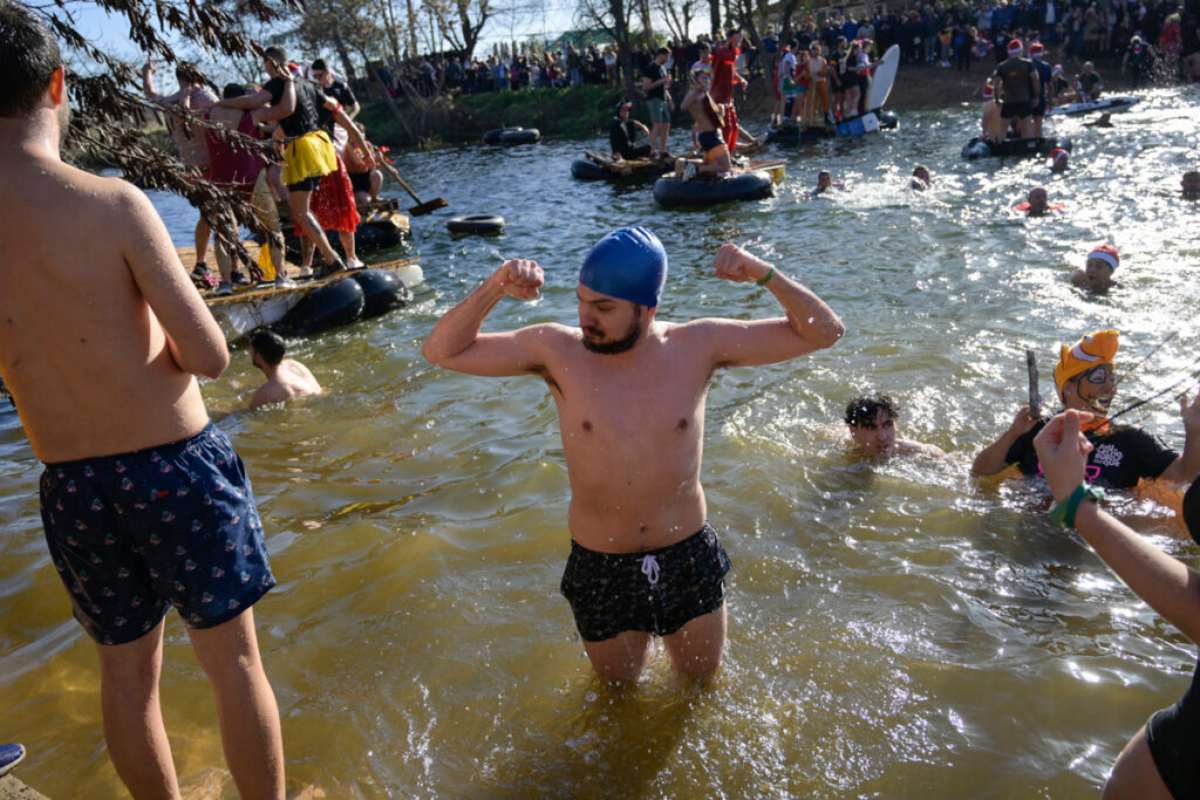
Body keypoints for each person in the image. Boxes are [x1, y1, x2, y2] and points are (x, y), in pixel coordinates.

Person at [0, 7, 285, 798]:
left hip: (72, 486)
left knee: (126, 676)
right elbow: (209, 355)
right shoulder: (114, 205)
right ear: (57, 86)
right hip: (173, 469)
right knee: (233, 663)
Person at [421, 227, 845, 681]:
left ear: (647, 309)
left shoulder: (697, 347)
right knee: (617, 698)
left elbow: (824, 332)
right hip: (601, 562)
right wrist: (496, 287)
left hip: (687, 553)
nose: (585, 317)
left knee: (699, 690)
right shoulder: (555, 351)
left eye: (603, 307)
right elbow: (441, 351)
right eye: (583, 301)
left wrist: (765, 275)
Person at [1033, 412, 1200, 799]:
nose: (1105, 383)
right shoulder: (1034, 434)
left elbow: (1177, 474)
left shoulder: (1132, 440)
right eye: (1095, 374)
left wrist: (1078, 505)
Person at [971, 330, 1200, 490]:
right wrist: (1013, 433)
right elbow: (980, 472)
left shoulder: (1131, 440)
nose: (1111, 387)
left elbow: (1183, 477)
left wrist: (1194, 432)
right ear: (1068, 388)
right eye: (1099, 377)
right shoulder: (1039, 432)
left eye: (1112, 378)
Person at [213, 46, 368, 277]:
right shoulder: (310, 85)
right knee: (306, 209)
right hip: (322, 146)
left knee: (301, 212)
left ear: (270, 64)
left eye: (266, 66)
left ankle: (331, 259)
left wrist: (222, 104)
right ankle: (332, 258)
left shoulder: (278, 83)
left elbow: (256, 101)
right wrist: (365, 148)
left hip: (302, 149)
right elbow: (341, 115)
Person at [205, 83, 288, 294]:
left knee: (223, 234)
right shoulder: (250, 114)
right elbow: (284, 110)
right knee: (273, 228)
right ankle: (281, 277)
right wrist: (285, 83)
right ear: (242, 99)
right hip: (251, 177)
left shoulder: (208, 116)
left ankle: (225, 284)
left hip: (221, 181)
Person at [142, 60, 218, 285]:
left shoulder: (171, 101)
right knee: (216, 215)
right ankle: (210, 265)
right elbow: (225, 110)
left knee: (208, 214)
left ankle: (202, 262)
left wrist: (147, 74)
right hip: (210, 165)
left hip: (190, 166)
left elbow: (151, 94)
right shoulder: (204, 97)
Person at [673, 71, 733, 180]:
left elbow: (707, 116)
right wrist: (695, 90)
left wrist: (720, 109)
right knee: (726, 167)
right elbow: (683, 106)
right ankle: (695, 169)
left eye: (707, 78)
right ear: (695, 80)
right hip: (711, 136)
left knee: (709, 164)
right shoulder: (695, 92)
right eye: (703, 78)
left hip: (709, 135)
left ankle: (685, 163)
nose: (707, 80)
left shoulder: (704, 94)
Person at [844, 394, 945, 459]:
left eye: (887, 425)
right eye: (871, 427)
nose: (882, 437)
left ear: (895, 424)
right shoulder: (842, 447)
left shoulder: (922, 453)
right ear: (853, 430)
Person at [247, 329, 322, 409]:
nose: (249, 352)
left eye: (250, 350)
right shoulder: (294, 365)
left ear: (257, 356)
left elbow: (247, 414)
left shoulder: (265, 393)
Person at [992, 39, 1039, 139]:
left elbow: (996, 84)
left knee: (1003, 128)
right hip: (1024, 99)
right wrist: (1036, 97)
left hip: (1008, 101)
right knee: (1027, 127)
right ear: (1021, 50)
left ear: (1009, 52)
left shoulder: (1002, 66)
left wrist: (997, 99)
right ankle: (1028, 149)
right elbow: (1035, 80)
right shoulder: (1028, 64)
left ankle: (1000, 147)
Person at [711, 29, 748, 153]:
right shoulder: (722, 51)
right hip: (719, 96)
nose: (741, 40)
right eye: (739, 37)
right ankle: (723, 156)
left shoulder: (732, 52)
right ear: (731, 37)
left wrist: (741, 79)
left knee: (735, 128)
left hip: (728, 96)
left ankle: (730, 156)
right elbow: (722, 64)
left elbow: (731, 70)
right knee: (727, 128)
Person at [641, 48, 673, 159]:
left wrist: (670, 99)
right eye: (667, 56)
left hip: (663, 98)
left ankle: (663, 151)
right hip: (654, 99)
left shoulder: (663, 68)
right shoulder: (650, 68)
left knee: (666, 124)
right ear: (661, 55)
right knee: (657, 124)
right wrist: (662, 81)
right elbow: (646, 87)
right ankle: (652, 151)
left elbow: (664, 87)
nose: (668, 59)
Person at [1028, 42, 1055, 137]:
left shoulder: (1027, 64)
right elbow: (1050, 86)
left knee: (1026, 123)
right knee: (1038, 124)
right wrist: (1050, 102)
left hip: (1027, 98)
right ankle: (1038, 142)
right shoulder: (1046, 66)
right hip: (1041, 98)